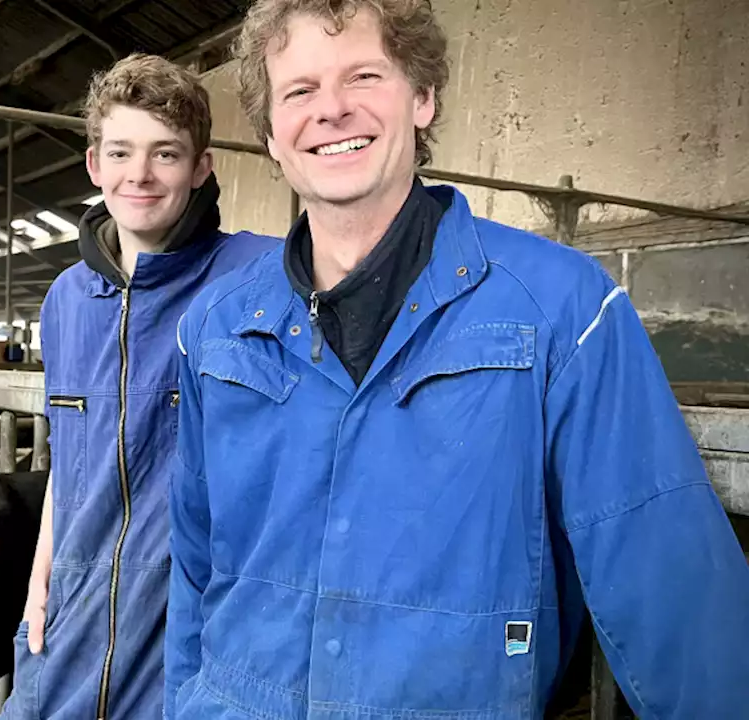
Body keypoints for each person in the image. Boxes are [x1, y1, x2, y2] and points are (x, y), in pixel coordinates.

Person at [165, 0, 749, 717]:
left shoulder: (563, 310)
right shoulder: (215, 330)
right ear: (271, 136)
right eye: (300, 91)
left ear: (422, 97)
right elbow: (193, 569)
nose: (333, 110)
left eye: (364, 76)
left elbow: (672, 588)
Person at [0, 54, 280, 719]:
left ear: (202, 167)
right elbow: (66, 464)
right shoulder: (66, 298)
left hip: (190, 624)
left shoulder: (259, 278)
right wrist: (40, 580)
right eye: (121, 152)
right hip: (70, 614)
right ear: (95, 165)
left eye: (166, 154)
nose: (140, 175)